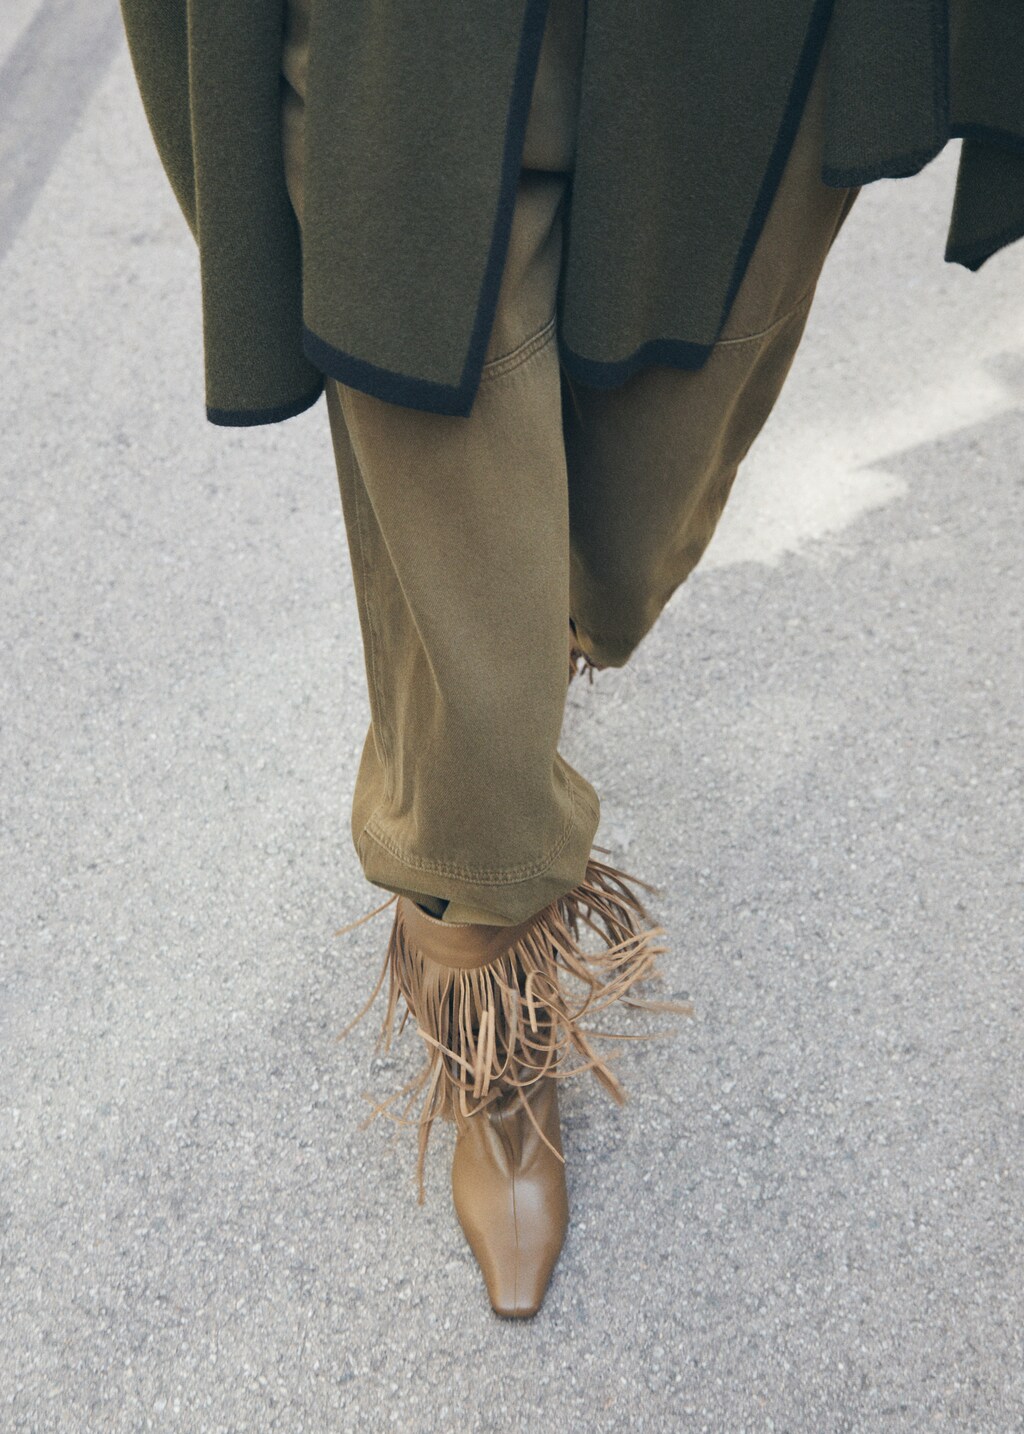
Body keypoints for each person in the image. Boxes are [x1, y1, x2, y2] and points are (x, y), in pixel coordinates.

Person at [118, 0, 1023, 1317]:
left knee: (621, 541)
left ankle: (536, 622)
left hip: (726, 61)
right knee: (481, 699)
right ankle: (485, 994)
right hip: (408, 69)